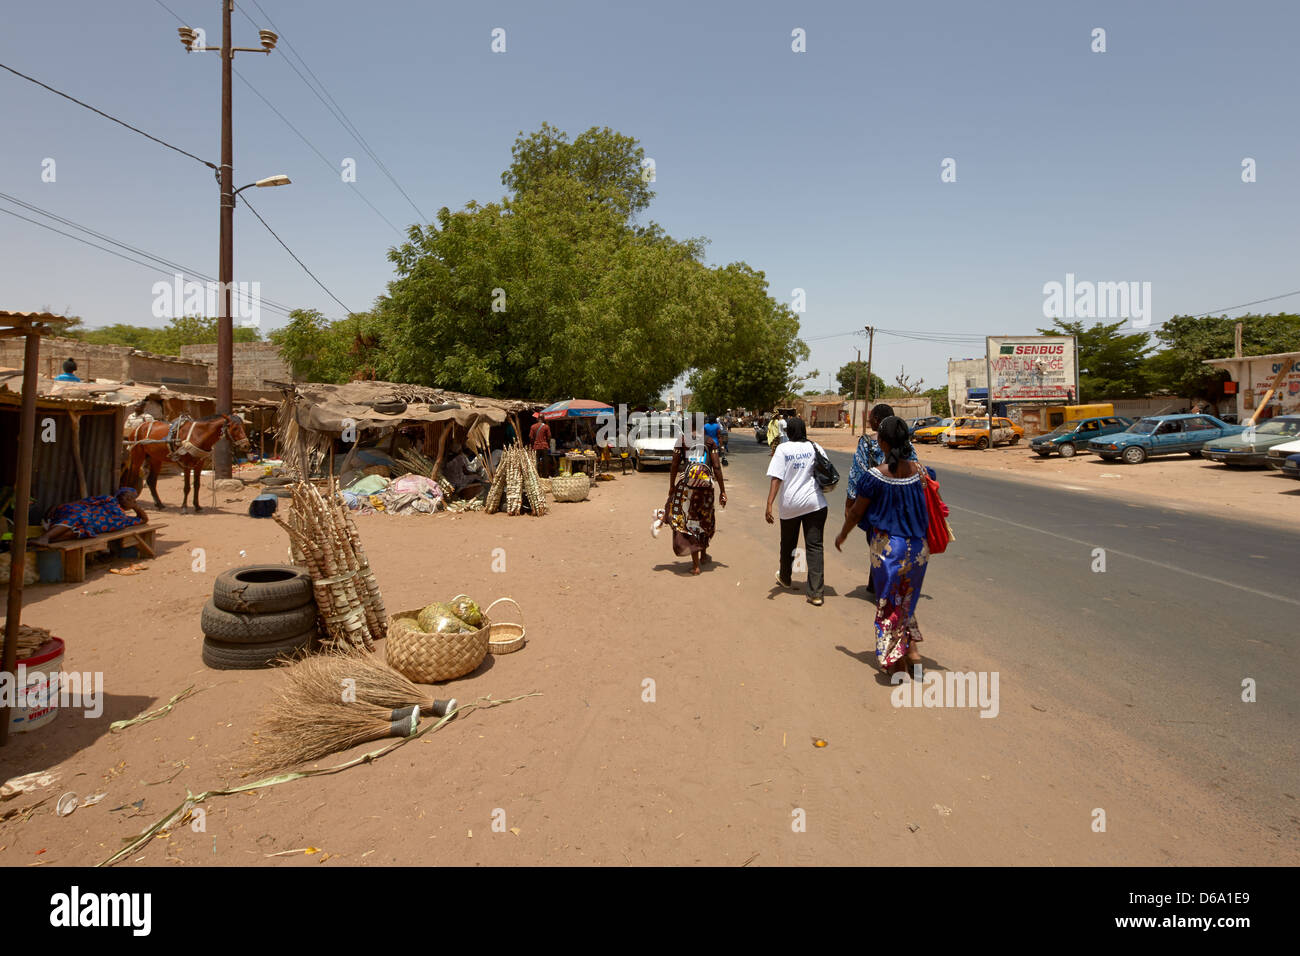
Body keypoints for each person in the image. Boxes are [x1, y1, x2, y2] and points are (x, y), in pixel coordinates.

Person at [835, 416, 931, 679]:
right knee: (906, 600)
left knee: (890, 604)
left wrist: (842, 534)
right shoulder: (922, 472)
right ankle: (913, 653)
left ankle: (897, 662)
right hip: (919, 549)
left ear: (884, 443)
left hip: (890, 550)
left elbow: (856, 513)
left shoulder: (876, 477)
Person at [765, 416, 828, 605]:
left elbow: (776, 478)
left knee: (788, 544)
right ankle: (816, 593)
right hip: (815, 503)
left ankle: (785, 577)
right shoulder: (815, 447)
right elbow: (824, 470)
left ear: (788, 432)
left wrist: (769, 504)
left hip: (790, 505)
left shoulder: (783, 449)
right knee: (814, 546)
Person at [663, 427, 727, 575]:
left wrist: (672, 486)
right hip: (706, 488)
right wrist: (723, 491)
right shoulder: (710, 441)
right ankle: (703, 554)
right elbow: (716, 467)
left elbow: (674, 464)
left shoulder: (682, 441)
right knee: (705, 518)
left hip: (688, 487)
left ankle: (696, 565)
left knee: (690, 521)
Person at [36, 487, 147, 543]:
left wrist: (136, 507)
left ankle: (47, 540)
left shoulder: (125, 519)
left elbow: (143, 520)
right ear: (119, 495)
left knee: (83, 531)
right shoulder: (109, 500)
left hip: (88, 526)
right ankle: (44, 537)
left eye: (132, 498)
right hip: (75, 513)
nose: (128, 499)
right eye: (126, 496)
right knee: (81, 515)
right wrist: (58, 506)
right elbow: (84, 502)